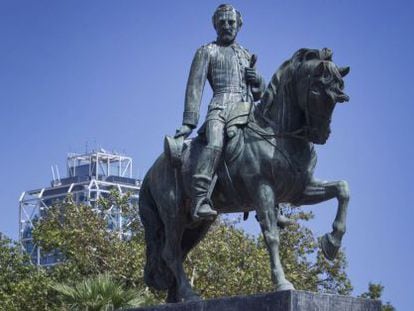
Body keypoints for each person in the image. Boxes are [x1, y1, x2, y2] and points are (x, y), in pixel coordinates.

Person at [175, 4, 265, 219]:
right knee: (215, 144)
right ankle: (199, 199)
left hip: (247, 109)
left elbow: (259, 93)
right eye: (222, 22)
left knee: (267, 145)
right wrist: (189, 122)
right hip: (220, 108)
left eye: (231, 22)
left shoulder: (245, 53)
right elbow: (194, 88)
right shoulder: (207, 51)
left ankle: (273, 204)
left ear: (239, 25)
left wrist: (257, 80)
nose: (227, 26)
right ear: (215, 25)